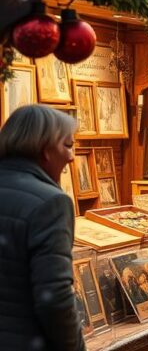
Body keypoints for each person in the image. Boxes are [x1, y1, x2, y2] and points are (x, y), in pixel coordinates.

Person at [0, 104, 84, 351]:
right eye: (67, 145)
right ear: (45, 149)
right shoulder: (51, 203)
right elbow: (54, 298)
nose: (71, 156)